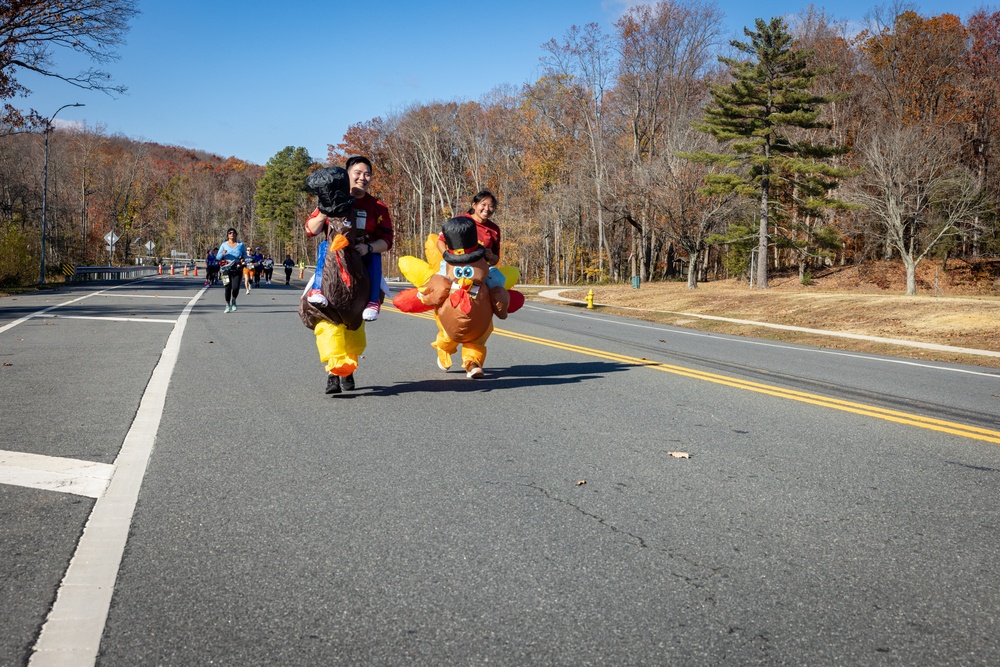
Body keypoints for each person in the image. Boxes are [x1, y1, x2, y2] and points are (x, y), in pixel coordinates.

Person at [303, 159, 393, 393]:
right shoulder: (331, 198)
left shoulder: (378, 207)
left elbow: (387, 240)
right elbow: (310, 229)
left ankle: (349, 366)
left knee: (354, 322)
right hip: (334, 262)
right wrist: (325, 208)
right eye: (357, 173)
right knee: (327, 318)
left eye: (367, 174)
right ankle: (334, 373)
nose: (363, 177)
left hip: (362, 264)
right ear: (347, 175)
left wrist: (369, 248)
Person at [216, 228, 247, 312]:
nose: (231, 234)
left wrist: (243, 259)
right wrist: (222, 254)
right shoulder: (224, 245)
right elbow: (218, 257)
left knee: (235, 287)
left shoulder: (240, 245)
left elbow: (245, 256)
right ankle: (227, 304)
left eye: (233, 233)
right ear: (227, 235)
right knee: (227, 287)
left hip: (237, 268)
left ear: (236, 234)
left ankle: (233, 300)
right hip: (226, 269)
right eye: (229, 233)